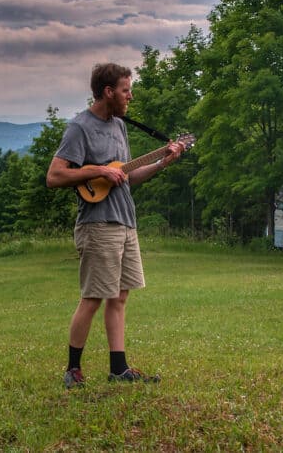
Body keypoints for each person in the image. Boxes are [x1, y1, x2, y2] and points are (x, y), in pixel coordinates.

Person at [46, 62, 184, 388]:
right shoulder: (80, 128)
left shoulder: (119, 126)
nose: (130, 96)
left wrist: (162, 161)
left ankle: (118, 369)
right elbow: (54, 176)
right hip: (98, 225)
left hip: (125, 221)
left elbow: (127, 177)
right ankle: (73, 369)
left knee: (120, 298)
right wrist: (98, 170)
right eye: (125, 90)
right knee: (93, 297)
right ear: (108, 92)